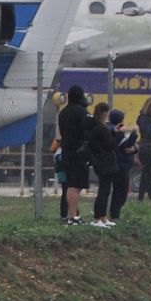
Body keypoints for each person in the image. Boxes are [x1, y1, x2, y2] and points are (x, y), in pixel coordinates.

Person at [56, 85, 91, 225]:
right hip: (79, 152)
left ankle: (72, 214)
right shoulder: (82, 112)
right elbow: (87, 132)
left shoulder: (63, 112)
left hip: (66, 151)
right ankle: (73, 216)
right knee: (75, 185)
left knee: (70, 183)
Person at [87, 101, 120, 228]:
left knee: (105, 189)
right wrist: (117, 135)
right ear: (104, 113)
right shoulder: (101, 128)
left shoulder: (94, 126)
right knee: (104, 191)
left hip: (99, 161)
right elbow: (110, 145)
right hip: (105, 161)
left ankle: (103, 217)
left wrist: (112, 133)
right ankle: (97, 218)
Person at [105, 108, 136, 224]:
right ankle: (114, 215)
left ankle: (114, 214)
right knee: (120, 191)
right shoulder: (114, 131)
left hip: (122, 164)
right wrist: (134, 134)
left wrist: (134, 149)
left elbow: (130, 148)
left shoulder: (116, 130)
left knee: (120, 191)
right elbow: (126, 145)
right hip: (120, 165)